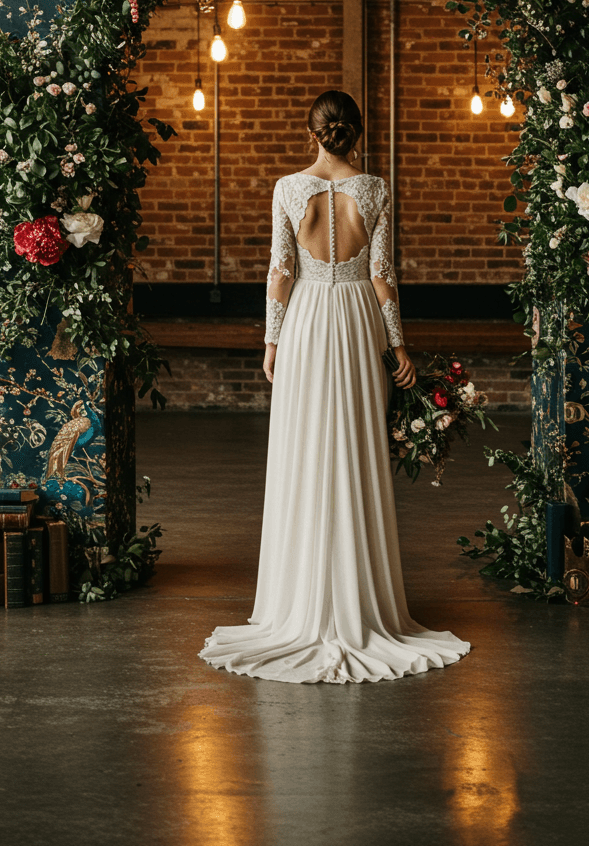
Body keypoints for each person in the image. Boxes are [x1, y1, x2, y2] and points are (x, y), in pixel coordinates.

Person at [198, 90, 471, 684]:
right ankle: (358, 597)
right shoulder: (374, 189)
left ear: (311, 132)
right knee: (355, 448)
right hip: (355, 321)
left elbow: (280, 271)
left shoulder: (287, 189)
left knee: (304, 452)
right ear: (357, 134)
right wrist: (397, 346)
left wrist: (271, 342)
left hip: (305, 322)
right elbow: (382, 276)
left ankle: (296, 603)